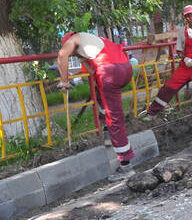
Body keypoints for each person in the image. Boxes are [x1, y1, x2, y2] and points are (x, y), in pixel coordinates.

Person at [57, 32, 134, 175]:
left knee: (114, 117)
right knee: (101, 93)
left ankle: (125, 165)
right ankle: (107, 132)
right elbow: (92, 71)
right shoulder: (94, 41)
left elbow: (62, 55)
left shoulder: (74, 39)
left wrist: (65, 81)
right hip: (125, 68)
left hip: (110, 72)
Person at [141, 4, 192, 119]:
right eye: (187, 16)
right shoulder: (182, 31)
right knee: (169, 87)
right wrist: (185, 58)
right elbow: (179, 50)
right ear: (185, 18)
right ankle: (151, 113)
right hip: (185, 66)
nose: (190, 18)